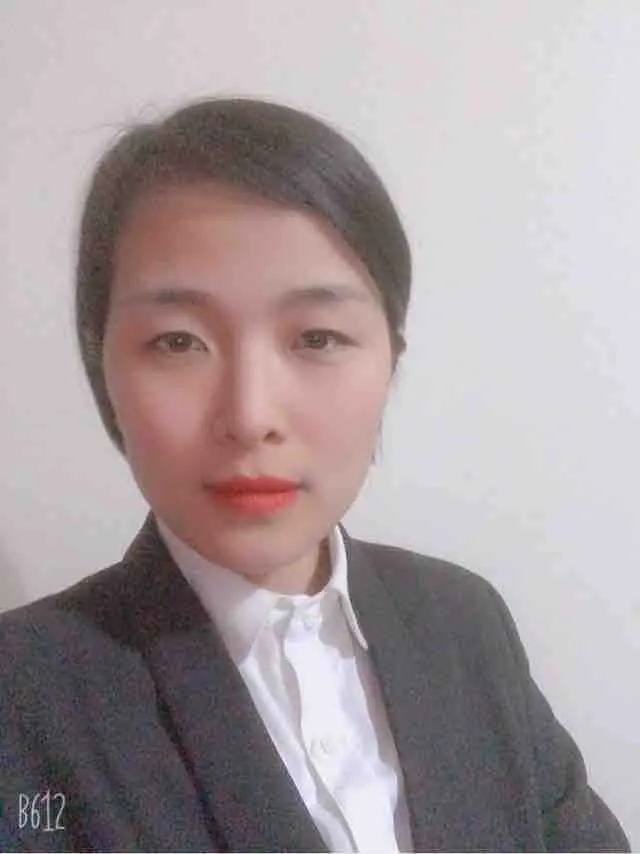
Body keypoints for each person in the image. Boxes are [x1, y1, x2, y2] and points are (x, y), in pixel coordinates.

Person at [0, 97, 630, 853]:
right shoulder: (24, 696)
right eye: (177, 341)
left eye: (318, 337)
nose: (250, 416)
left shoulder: (466, 624)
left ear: (391, 358)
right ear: (101, 364)